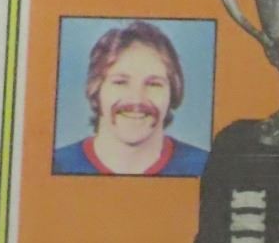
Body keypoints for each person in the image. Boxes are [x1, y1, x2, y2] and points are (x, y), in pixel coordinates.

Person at [52, 22, 209, 177]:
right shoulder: (56, 165)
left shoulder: (206, 168)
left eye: (153, 84)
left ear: (173, 92)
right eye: (120, 82)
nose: (136, 98)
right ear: (96, 89)